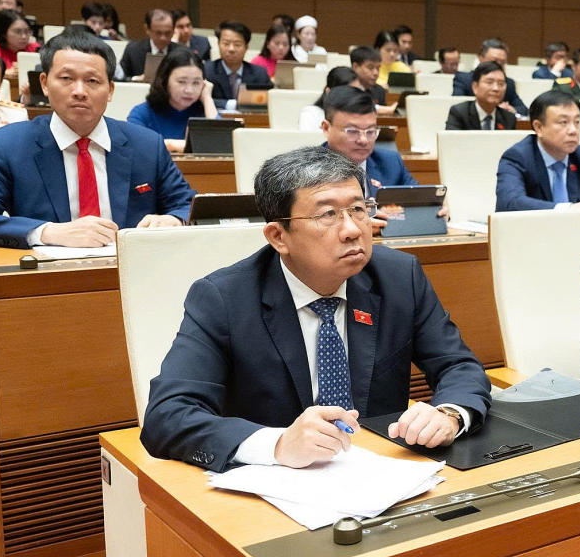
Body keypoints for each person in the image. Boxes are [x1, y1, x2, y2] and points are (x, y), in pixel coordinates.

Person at [139, 145, 490, 471]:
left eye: (358, 209)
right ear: (279, 236)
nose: (352, 229)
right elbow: (167, 416)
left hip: (383, 470)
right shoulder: (224, 298)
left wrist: (449, 414)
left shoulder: (399, 277)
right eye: (328, 214)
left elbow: (458, 365)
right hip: (276, 484)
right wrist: (276, 444)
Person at [0, 30, 195, 248]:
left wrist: (174, 219)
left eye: (92, 81)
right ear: (44, 84)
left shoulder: (147, 144)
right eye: (66, 79)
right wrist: (47, 232)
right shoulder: (8, 145)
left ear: (110, 90)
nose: (79, 91)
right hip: (47, 279)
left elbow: (189, 205)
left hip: (135, 274)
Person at [496, 91, 580, 211]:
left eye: (577, 122)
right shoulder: (518, 157)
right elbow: (509, 202)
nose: (573, 130)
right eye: (563, 122)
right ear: (539, 127)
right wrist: (569, 209)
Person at [320, 87, 417, 197]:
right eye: (353, 131)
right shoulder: (307, 171)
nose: (364, 140)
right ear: (326, 128)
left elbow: (420, 200)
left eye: (370, 131)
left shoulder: (391, 163)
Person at [126, 47, 218, 153]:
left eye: (196, 83)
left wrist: (207, 99)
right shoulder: (142, 113)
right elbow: (135, 146)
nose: (189, 90)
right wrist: (172, 145)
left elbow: (223, 143)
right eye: (182, 82)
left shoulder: (206, 111)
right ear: (165, 80)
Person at [204, 21, 271, 108]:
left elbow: (269, 100)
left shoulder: (259, 73)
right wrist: (232, 104)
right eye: (226, 43)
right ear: (218, 44)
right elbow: (201, 100)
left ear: (246, 47)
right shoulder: (207, 70)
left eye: (237, 44)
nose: (231, 49)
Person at [452, 39, 527, 114]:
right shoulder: (464, 79)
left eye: (502, 62)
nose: (498, 65)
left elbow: (523, 109)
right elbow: (457, 105)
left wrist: (510, 109)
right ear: (480, 58)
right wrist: (492, 108)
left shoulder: (508, 83)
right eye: (494, 61)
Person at [445, 61, 516, 130]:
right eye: (489, 82)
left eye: (501, 84)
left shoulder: (509, 118)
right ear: (475, 87)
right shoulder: (459, 113)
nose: (496, 88)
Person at [118, 9, 175, 80]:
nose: (163, 38)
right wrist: (136, 79)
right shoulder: (133, 50)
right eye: (158, 33)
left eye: (168, 33)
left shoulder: (182, 52)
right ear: (147, 29)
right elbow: (120, 78)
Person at [298, 67, 360, 131]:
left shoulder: (360, 116)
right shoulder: (311, 114)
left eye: (357, 91)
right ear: (328, 92)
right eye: (347, 92)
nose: (353, 96)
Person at [0, 10, 40, 78]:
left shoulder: (35, 49)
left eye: (27, 31)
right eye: (17, 32)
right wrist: (4, 73)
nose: (24, 36)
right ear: (4, 33)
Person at [349, 46, 396, 115]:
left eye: (378, 68)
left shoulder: (379, 90)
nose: (376, 73)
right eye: (370, 68)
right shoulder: (345, 88)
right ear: (355, 67)